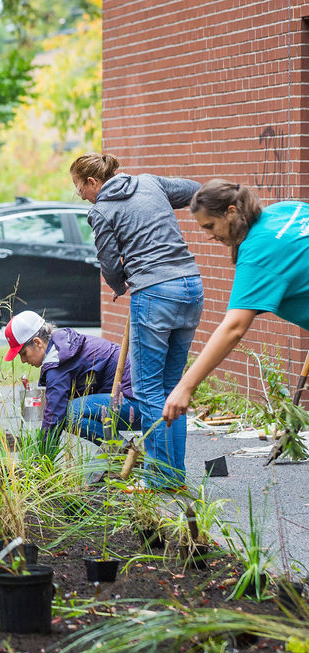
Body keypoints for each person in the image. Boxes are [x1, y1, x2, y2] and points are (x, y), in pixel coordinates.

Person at [70, 152, 203, 490]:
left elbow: (110, 264)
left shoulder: (101, 210)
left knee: (147, 390)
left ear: (92, 182)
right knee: (174, 387)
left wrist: (120, 286)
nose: (81, 195)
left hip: (155, 294)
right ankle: (173, 476)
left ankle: (159, 477)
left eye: (79, 188)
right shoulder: (150, 182)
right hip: (191, 286)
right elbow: (195, 190)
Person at [165, 181, 309, 423]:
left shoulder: (258, 252)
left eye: (210, 225)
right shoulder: (285, 210)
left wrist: (185, 387)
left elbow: (233, 328)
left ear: (231, 212)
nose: (209, 235)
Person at [4, 310, 141, 453]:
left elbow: (54, 416)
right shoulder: (64, 344)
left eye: (23, 353)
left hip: (136, 405)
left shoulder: (58, 361)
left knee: (69, 415)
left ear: (37, 342)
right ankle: (122, 451)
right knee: (70, 410)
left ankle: (123, 452)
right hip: (139, 401)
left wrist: (42, 459)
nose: (23, 360)